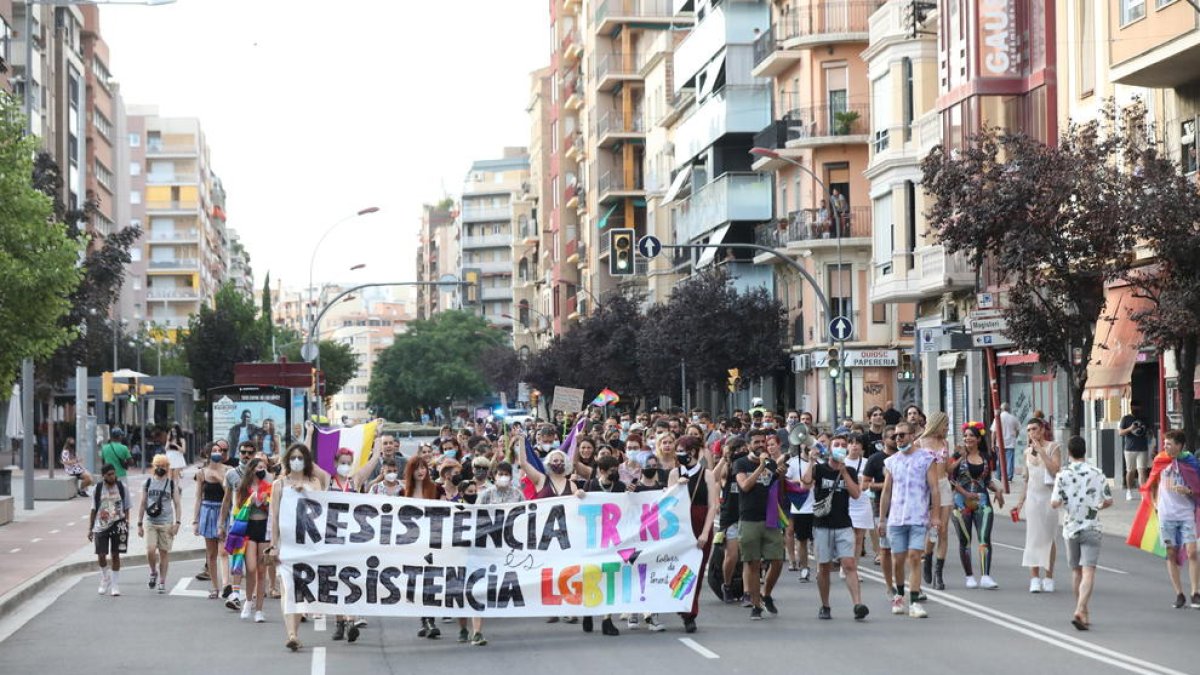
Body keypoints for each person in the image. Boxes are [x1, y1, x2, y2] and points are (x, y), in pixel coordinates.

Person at [878, 421, 941, 618]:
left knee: (914, 557)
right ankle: (899, 595)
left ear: (913, 436)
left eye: (903, 435)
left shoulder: (926, 458)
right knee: (898, 560)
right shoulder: (892, 461)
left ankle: (914, 602)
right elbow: (886, 491)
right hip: (896, 519)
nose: (899, 439)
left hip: (918, 516)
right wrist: (882, 519)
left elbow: (934, 488)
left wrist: (936, 515)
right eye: (896, 436)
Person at [804, 435, 868, 620]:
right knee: (824, 567)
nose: (840, 447)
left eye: (843, 445)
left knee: (849, 564)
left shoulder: (849, 470)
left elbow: (856, 494)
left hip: (843, 524)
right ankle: (825, 605)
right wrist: (810, 462)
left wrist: (845, 473)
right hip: (822, 525)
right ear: (829, 449)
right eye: (836, 445)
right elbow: (805, 482)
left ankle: (858, 604)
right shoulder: (820, 469)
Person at [1052, 436, 1113, 629]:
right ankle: (1081, 609)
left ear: (1068, 453)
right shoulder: (1097, 473)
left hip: (1071, 529)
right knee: (1089, 572)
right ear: (1085, 451)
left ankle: (1082, 610)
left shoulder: (1062, 475)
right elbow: (1109, 500)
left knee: (1076, 571)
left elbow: (1054, 503)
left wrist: (1066, 502)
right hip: (1092, 527)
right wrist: (1096, 507)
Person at [268, 444, 323, 652]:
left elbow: (322, 509)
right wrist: (273, 546)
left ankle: (295, 631)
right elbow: (274, 518)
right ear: (287, 460)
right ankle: (291, 634)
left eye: (301, 457)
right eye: (293, 457)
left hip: (309, 545)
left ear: (307, 460)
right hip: (287, 545)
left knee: (302, 589)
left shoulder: (314, 482)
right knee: (288, 589)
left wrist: (306, 493)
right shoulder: (279, 484)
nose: (297, 461)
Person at [735, 429, 787, 620]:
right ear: (748, 445)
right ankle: (756, 605)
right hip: (749, 519)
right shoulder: (740, 463)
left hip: (770, 518)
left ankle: (767, 594)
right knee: (753, 563)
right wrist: (761, 467)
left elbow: (776, 490)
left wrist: (779, 475)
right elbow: (745, 486)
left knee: (777, 560)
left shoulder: (771, 464)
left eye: (762, 442)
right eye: (755, 442)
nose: (760, 445)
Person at [1145, 430, 1200, 609]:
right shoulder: (1160, 461)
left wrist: (1189, 491)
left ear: (1180, 445)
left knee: (1192, 552)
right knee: (1171, 553)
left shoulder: (1190, 462)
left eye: (1169, 444)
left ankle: (1195, 592)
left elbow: (1198, 488)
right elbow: (1151, 483)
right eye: (1165, 443)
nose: (1166, 447)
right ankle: (1179, 593)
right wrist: (1154, 503)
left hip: (1185, 514)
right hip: (1166, 515)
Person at [949, 423, 1004, 589]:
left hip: (982, 502)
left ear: (979, 439)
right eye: (965, 435)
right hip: (960, 503)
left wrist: (998, 490)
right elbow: (950, 477)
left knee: (984, 538)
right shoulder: (957, 455)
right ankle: (969, 576)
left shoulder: (986, 457)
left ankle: (986, 576)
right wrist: (965, 493)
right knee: (965, 540)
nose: (967, 438)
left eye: (971, 435)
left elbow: (987, 481)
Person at [1017, 417, 1062, 593]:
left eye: (1034, 429)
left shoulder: (1053, 447)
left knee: (1049, 538)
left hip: (1049, 497)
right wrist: (1020, 502)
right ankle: (1034, 577)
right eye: (1028, 430)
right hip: (1033, 498)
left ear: (1042, 429)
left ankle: (1049, 576)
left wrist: (1042, 451)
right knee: (1033, 538)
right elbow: (1026, 479)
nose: (1031, 433)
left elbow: (1056, 470)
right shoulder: (1027, 452)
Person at [916, 412, 953, 591]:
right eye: (945, 425)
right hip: (928, 488)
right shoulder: (919, 443)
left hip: (944, 485)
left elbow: (947, 468)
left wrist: (959, 458)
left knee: (944, 530)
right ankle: (927, 557)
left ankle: (939, 573)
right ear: (937, 425)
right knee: (933, 529)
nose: (947, 429)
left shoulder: (945, 443)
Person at [219, 441, 257, 610]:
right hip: (238, 523)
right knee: (237, 559)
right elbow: (226, 500)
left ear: (254, 454)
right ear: (239, 453)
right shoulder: (231, 474)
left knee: (253, 564)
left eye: (250, 452)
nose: (246, 455)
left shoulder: (259, 473)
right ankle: (235, 594)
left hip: (256, 522)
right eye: (243, 452)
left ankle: (250, 596)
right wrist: (221, 524)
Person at [137, 454, 181, 594]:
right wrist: (139, 523)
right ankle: (153, 571)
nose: (160, 468)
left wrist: (177, 523)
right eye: (158, 466)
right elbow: (143, 503)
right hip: (150, 521)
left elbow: (177, 504)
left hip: (166, 523)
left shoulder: (171, 484)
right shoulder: (148, 483)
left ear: (167, 468)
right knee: (150, 550)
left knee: (164, 553)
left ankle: (162, 581)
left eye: (163, 466)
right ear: (153, 467)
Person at [863, 425, 898, 593]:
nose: (897, 439)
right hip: (881, 507)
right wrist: (885, 485)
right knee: (886, 548)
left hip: (903, 506)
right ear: (884, 440)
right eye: (893, 437)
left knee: (903, 549)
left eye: (899, 436)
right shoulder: (875, 459)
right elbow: (864, 484)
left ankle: (906, 584)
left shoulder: (904, 457)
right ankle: (889, 585)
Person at [89, 464, 131, 596]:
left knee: (115, 554)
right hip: (100, 526)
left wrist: (126, 522)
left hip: (118, 524)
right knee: (101, 555)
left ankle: (114, 584)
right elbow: (93, 509)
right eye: (109, 474)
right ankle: (105, 577)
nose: (113, 476)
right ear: (104, 476)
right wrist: (90, 529)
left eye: (114, 473)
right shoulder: (98, 488)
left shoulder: (121, 487)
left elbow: (127, 507)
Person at [194, 444, 227, 598]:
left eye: (220, 451)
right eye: (214, 451)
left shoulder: (228, 470)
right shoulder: (201, 473)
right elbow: (198, 497)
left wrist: (219, 478)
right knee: (211, 554)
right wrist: (195, 520)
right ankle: (215, 587)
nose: (217, 453)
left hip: (223, 510)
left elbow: (230, 492)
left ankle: (227, 584)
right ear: (208, 454)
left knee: (224, 551)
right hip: (207, 511)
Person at [1120, 400, 1152, 500]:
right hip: (1129, 449)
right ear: (1131, 408)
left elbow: (1150, 432)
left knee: (1142, 471)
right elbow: (1120, 432)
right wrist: (1130, 428)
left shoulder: (1144, 419)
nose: (1136, 411)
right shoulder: (1126, 419)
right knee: (1130, 471)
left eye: (1138, 408)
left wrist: (1150, 437)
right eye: (1134, 408)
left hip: (1142, 448)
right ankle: (1129, 491)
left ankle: (1143, 492)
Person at [992, 403, 1020, 480]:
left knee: (999, 460)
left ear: (1001, 409)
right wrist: (1015, 437)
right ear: (1008, 409)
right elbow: (1018, 430)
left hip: (999, 443)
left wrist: (992, 443)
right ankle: (1009, 477)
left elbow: (994, 432)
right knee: (1010, 461)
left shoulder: (997, 418)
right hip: (1010, 442)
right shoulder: (1013, 418)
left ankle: (998, 476)